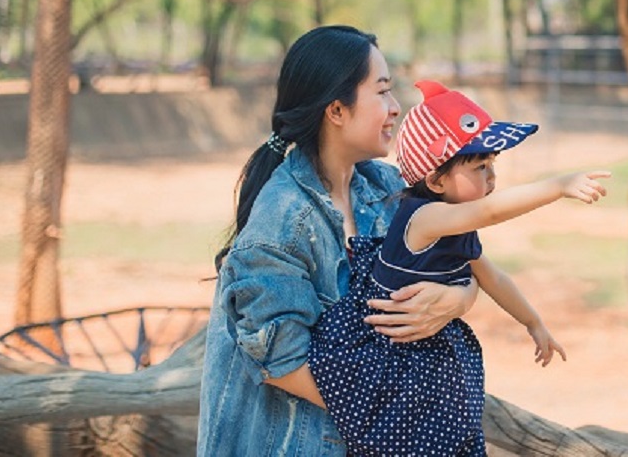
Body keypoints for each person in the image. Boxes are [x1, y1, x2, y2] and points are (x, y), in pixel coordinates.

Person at [198, 26, 479, 456]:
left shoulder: (385, 189)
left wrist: (456, 300)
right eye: (382, 92)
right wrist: (405, 417)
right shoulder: (283, 224)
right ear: (336, 110)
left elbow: (462, 263)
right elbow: (283, 364)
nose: (396, 108)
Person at [307, 79, 611, 456]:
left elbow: (493, 277)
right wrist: (558, 185)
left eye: (491, 164)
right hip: (389, 367)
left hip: (426, 361)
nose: (491, 177)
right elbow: (490, 211)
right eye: (480, 166)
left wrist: (533, 322)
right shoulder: (426, 217)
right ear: (435, 180)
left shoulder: (455, 225)